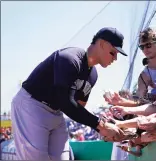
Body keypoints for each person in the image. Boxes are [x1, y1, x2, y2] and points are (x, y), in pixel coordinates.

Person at [11, 27, 129, 160]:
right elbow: (66, 102)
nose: (115, 58)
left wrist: (105, 128)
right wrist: (101, 125)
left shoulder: (93, 75)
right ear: (102, 44)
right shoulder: (69, 58)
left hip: (56, 112)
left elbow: (77, 108)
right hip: (31, 105)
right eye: (113, 52)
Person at [104, 27, 156, 107]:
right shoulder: (145, 76)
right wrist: (120, 101)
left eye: (148, 45)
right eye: (142, 47)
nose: (145, 49)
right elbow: (139, 100)